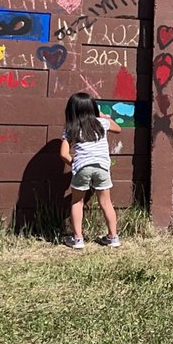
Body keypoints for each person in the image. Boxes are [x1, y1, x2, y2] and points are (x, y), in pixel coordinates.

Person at [60, 92, 123, 249]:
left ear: (72, 110)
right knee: (106, 202)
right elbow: (118, 128)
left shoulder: (71, 128)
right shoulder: (101, 123)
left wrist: (75, 162)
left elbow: (63, 153)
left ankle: (78, 239)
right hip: (102, 166)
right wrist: (102, 115)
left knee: (77, 202)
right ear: (93, 108)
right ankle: (113, 237)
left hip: (82, 167)